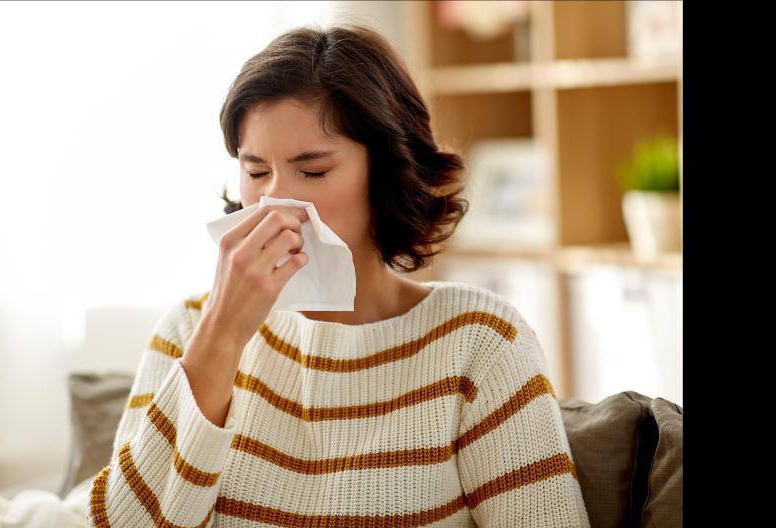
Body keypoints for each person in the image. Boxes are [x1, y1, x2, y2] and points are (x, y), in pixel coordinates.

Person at [88, 23, 591, 528]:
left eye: (313, 171)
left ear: (387, 174)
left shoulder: (479, 342)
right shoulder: (188, 330)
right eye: (257, 172)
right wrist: (221, 335)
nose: (274, 203)